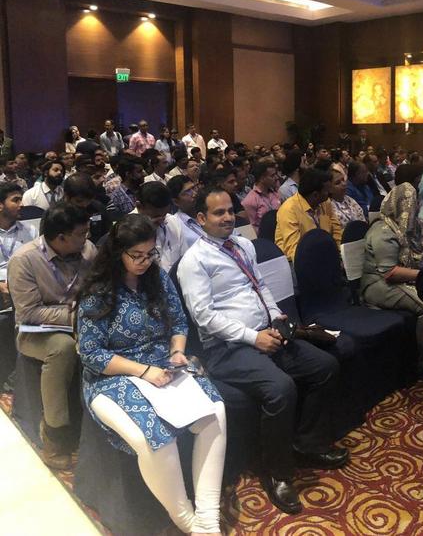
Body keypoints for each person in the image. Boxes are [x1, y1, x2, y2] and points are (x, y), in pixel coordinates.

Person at [178, 185, 347, 515]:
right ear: (201, 218)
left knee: (325, 366)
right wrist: (252, 337)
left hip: (266, 332)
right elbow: (204, 318)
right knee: (280, 388)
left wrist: (275, 315)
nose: (228, 217)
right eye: (218, 213)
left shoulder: (243, 245)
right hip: (226, 348)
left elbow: (260, 286)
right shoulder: (194, 261)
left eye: (230, 211)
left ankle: (307, 443)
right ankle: (278, 473)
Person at [75, 214, 226, 535]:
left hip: (162, 363)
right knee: (153, 437)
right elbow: (91, 353)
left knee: (215, 412)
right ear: (118, 253)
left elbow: (179, 321)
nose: (145, 262)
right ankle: (189, 521)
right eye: (137, 256)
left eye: (150, 254)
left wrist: (177, 351)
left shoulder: (157, 277)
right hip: (113, 375)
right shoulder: (98, 291)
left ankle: (208, 514)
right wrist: (143, 371)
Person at [9, 203, 97, 468]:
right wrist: (75, 316)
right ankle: (54, 434)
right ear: (60, 238)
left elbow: (98, 289)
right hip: (36, 333)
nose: (86, 238)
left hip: (84, 323)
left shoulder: (88, 251)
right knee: (62, 348)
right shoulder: (24, 260)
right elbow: (29, 313)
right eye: (81, 234)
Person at [361, 183, 423, 314]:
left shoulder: (415, 226)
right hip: (379, 283)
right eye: (412, 204)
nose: (417, 208)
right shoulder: (383, 230)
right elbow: (390, 273)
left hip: (409, 278)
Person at [275, 168, 342, 261]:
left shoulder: (325, 203)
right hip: (298, 262)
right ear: (315, 195)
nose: (330, 193)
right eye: (327, 191)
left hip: (325, 255)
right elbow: (294, 251)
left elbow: (336, 231)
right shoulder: (289, 210)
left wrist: (338, 254)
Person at [133, 181, 186, 271]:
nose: (161, 221)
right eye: (156, 217)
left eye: (164, 215)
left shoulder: (174, 222)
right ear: (139, 206)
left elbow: (185, 260)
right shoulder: (125, 230)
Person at [0, 181, 36, 308]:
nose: (22, 204)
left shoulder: (31, 231)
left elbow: (39, 263)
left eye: (21, 199)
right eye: (16, 200)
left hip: (25, 287)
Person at [167, 175, 204, 252]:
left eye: (194, 188)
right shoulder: (174, 225)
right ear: (176, 201)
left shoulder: (208, 211)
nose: (195, 193)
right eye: (188, 192)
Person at [242, 161, 282, 231]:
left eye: (276, 174)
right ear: (262, 178)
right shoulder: (249, 200)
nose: (276, 177)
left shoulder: (276, 193)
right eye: (272, 175)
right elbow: (251, 228)